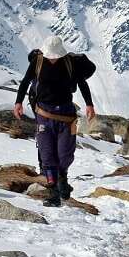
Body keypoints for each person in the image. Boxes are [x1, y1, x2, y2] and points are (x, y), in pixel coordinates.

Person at [14, 36, 96, 207]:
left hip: (66, 115)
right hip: (44, 114)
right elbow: (25, 82)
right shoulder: (37, 61)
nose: (51, 58)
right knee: (47, 155)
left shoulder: (69, 62)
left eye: (54, 55)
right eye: (49, 55)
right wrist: (18, 102)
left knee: (65, 153)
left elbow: (82, 83)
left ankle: (62, 178)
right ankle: (53, 192)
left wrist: (89, 104)